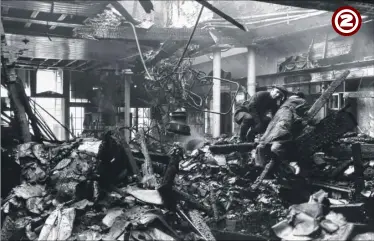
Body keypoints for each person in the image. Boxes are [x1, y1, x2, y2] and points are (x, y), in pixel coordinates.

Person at [254, 91, 309, 169]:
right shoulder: (301, 101)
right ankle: (287, 164)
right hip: (285, 117)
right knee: (279, 132)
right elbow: (302, 114)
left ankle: (259, 166)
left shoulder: (287, 101)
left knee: (265, 139)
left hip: (278, 116)